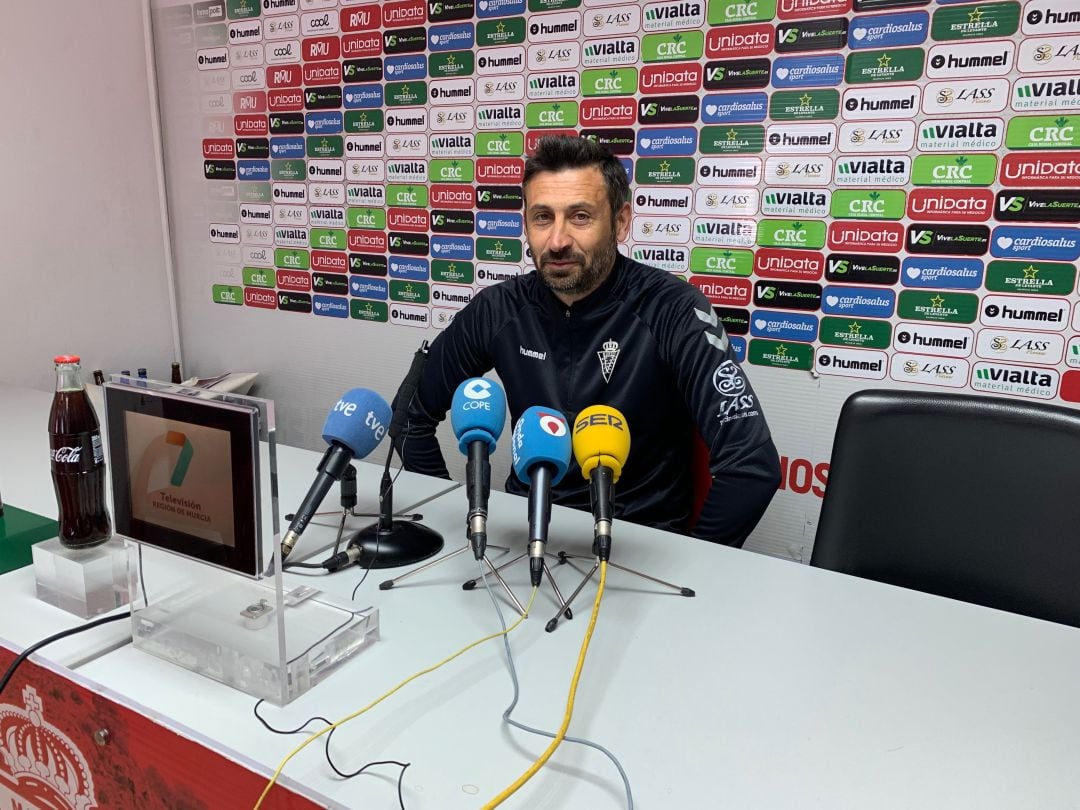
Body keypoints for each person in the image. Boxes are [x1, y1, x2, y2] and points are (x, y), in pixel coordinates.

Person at [399, 135, 780, 547]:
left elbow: (751, 467)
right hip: (521, 539)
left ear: (620, 221)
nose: (558, 240)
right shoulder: (499, 309)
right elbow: (408, 418)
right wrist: (455, 522)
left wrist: (694, 563)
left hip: (635, 548)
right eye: (543, 217)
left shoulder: (672, 309)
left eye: (580, 216)